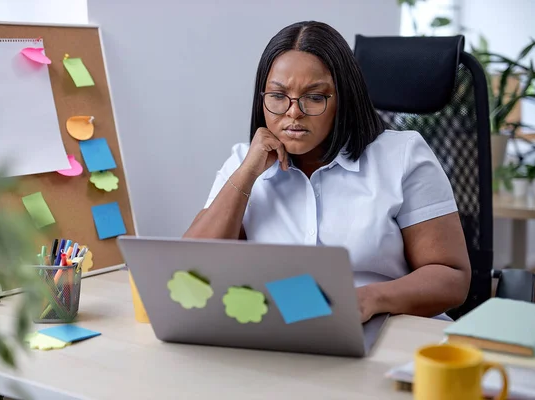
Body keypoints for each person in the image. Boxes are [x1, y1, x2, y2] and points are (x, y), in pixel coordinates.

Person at [184, 21, 471, 322]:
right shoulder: (245, 162)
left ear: (343, 100)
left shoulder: (402, 157)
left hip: (385, 329)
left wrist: (371, 298)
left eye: (314, 97)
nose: (293, 112)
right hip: (278, 335)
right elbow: (190, 270)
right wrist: (245, 175)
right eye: (278, 97)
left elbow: (452, 277)